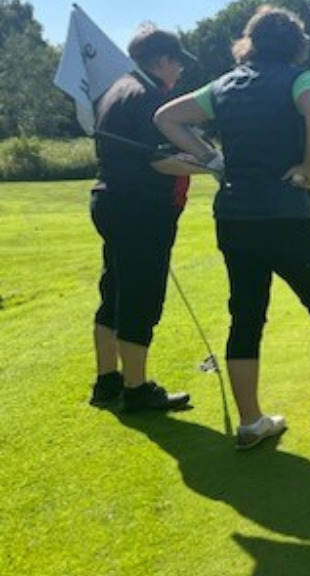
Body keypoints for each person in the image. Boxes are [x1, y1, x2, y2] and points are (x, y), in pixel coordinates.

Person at [154, 5, 310, 450]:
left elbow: (166, 117)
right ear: (297, 44)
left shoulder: (224, 85)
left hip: (233, 218)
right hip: (284, 217)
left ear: (250, 43)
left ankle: (251, 423)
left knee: (246, 316)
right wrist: (309, 168)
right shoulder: (301, 79)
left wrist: (211, 159)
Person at [89, 25, 210, 412]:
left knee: (115, 290)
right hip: (140, 207)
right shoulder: (149, 97)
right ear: (161, 61)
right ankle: (136, 389)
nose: (180, 70)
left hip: (111, 200)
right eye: (177, 62)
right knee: (140, 297)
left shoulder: (116, 89)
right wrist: (214, 166)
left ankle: (107, 381)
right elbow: (160, 161)